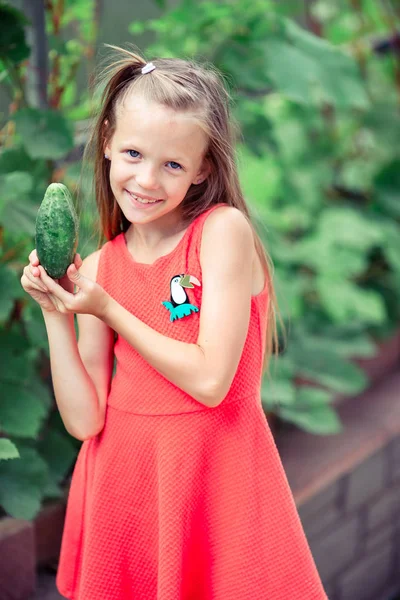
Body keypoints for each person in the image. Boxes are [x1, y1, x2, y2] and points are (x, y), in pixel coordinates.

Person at [21, 46, 327, 600]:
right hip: (126, 487)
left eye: (173, 165)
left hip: (214, 481)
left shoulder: (220, 234)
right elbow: (86, 421)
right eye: (134, 153)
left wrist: (109, 309)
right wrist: (55, 315)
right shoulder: (99, 269)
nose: (146, 179)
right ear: (108, 139)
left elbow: (212, 381)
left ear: (203, 167)